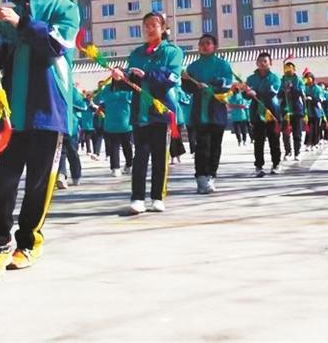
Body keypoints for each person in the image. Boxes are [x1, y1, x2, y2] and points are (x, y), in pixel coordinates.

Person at [0, 0, 80, 280]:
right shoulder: (12, 11)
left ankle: (29, 242)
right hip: (14, 111)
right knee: (2, 181)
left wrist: (21, 23)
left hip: (49, 107)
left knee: (39, 182)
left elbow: (55, 45)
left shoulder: (65, 8)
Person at [112, 12, 182, 214]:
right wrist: (120, 77)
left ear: (163, 28)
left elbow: (172, 77)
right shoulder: (137, 53)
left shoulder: (172, 52)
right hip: (140, 112)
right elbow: (131, 83)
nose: (149, 29)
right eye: (146, 26)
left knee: (160, 155)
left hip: (161, 110)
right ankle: (137, 198)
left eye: (154, 25)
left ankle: (158, 197)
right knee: (140, 156)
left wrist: (147, 75)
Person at [182, 33, 233, 194]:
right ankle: (201, 177)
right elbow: (186, 88)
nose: (204, 46)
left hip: (217, 109)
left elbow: (227, 84)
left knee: (215, 145)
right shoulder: (192, 67)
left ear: (214, 46)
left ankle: (211, 175)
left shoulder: (223, 65)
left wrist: (211, 86)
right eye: (201, 43)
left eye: (208, 43)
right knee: (202, 145)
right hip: (199, 111)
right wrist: (187, 82)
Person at [244, 52, 281, 177]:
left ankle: (276, 164)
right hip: (256, 113)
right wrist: (247, 93)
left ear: (270, 63)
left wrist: (256, 92)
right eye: (260, 61)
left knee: (274, 140)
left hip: (271, 112)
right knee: (258, 141)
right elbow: (245, 95)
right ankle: (258, 166)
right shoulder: (251, 79)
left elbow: (272, 92)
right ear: (256, 63)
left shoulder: (275, 78)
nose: (262, 63)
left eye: (265, 61)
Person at [97, 81, 134, 176]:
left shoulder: (107, 89)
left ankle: (115, 168)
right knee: (126, 145)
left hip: (112, 122)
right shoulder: (128, 88)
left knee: (114, 146)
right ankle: (129, 165)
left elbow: (99, 101)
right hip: (125, 122)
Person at [57, 87, 84, 188]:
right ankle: (61, 175)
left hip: (70, 127)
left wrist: (68, 104)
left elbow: (83, 106)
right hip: (56, 126)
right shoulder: (52, 85)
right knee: (59, 153)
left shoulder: (72, 90)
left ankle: (76, 176)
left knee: (72, 152)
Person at [278, 61, 305, 161]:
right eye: (286, 68)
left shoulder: (298, 80)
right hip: (285, 110)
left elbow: (301, 92)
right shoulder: (281, 80)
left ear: (294, 69)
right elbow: (278, 94)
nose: (288, 70)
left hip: (296, 110)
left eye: (290, 68)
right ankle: (288, 151)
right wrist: (283, 90)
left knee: (297, 133)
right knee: (285, 133)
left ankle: (297, 152)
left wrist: (292, 88)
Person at [303, 71, 324, 150]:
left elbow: (320, 99)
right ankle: (308, 143)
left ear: (312, 78)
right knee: (308, 128)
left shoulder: (317, 88)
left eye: (309, 78)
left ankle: (315, 143)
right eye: (306, 78)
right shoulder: (305, 87)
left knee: (315, 128)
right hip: (308, 111)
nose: (308, 80)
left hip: (316, 110)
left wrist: (311, 98)